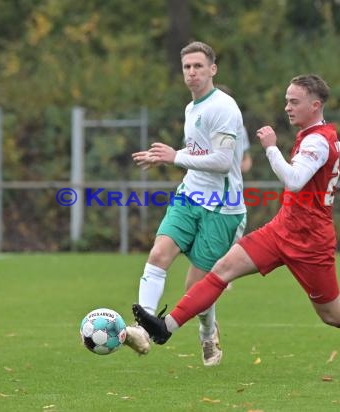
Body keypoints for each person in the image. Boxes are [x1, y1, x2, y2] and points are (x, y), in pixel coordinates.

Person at [132, 74, 340, 374]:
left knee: (332, 314)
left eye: (294, 101)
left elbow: (295, 180)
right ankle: (165, 327)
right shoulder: (323, 136)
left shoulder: (316, 141)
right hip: (280, 230)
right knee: (221, 269)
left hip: (311, 242)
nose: (287, 107)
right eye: (287, 100)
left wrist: (271, 147)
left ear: (315, 105)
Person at [124, 41, 248, 366]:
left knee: (196, 287)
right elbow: (197, 153)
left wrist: (175, 156)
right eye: (186, 67)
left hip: (221, 208)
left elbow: (223, 161)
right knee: (158, 254)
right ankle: (142, 329)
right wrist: (164, 158)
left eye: (198, 66)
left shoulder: (223, 107)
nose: (191, 72)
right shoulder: (191, 108)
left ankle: (208, 333)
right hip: (189, 195)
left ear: (212, 69)